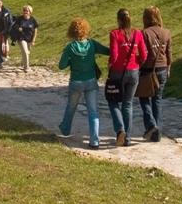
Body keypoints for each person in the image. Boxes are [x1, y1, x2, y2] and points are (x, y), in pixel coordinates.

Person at [57, 18, 109, 150]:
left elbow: (61, 66)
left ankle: (65, 129)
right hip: (91, 81)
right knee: (93, 111)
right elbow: (107, 51)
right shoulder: (92, 44)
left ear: (72, 32)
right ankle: (94, 141)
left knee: (71, 107)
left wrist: (71, 62)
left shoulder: (70, 47)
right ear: (86, 30)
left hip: (76, 81)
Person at [107, 8, 147, 147]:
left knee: (112, 101)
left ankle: (120, 130)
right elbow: (144, 55)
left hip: (118, 72)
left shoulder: (115, 34)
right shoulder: (137, 34)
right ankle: (128, 138)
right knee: (128, 104)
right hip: (134, 71)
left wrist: (110, 66)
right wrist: (137, 64)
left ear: (118, 19)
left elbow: (114, 55)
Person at [138, 6, 172, 143]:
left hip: (147, 70)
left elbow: (141, 54)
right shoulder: (167, 33)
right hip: (163, 68)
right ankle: (156, 133)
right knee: (157, 100)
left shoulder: (144, 33)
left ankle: (152, 126)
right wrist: (169, 68)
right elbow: (169, 53)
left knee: (144, 98)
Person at [9, 5, 39, 72]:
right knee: (25, 52)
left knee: (27, 52)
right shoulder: (19, 19)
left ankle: (23, 64)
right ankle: (26, 68)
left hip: (29, 39)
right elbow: (14, 26)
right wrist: (18, 28)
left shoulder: (33, 20)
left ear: (30, 12)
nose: (25, 12)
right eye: (24, 10)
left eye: (27, 11)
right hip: (21, 38)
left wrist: (33, 40)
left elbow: (35, 30)